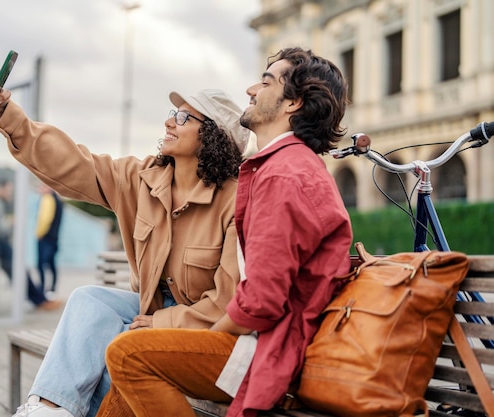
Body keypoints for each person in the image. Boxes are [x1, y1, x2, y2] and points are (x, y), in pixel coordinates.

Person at [95, 47, 354, 417]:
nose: (251, 89)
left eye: (266, 81)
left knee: (130, 353)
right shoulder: (280, 166)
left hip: (273, 351)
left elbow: (261, 301)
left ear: (293, 102)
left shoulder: (285, 173)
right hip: (264, 341)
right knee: (137, 349)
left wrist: (206, 333)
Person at [0, 77, 249, 417]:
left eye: (183, 118)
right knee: (88, 299)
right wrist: (10, 117)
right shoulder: (142, 179)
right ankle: (50, 409)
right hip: (152, 310)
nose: (169, 121)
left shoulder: (237, 200)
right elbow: (74, 164)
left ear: (213, 136)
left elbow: (229, 301)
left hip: (206, 329)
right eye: (172, 113)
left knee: (119, 343)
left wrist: (162, 322)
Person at [0, 179, 62, 311]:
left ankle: (38, 299)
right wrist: (13, 225)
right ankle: (40, 300)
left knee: (19, 270)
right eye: (8, 190)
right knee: (19, 270)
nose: (10, 193)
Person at [35, 182, 63, 295]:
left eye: (42, 186)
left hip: (46, 237)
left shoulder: (47, 199)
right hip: (54, 238)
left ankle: (42, 289)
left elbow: (45, 219)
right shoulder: (58, 200)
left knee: (41, 264)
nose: (40, 189)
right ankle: (52, 289)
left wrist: (39, 233)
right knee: (51, 265)